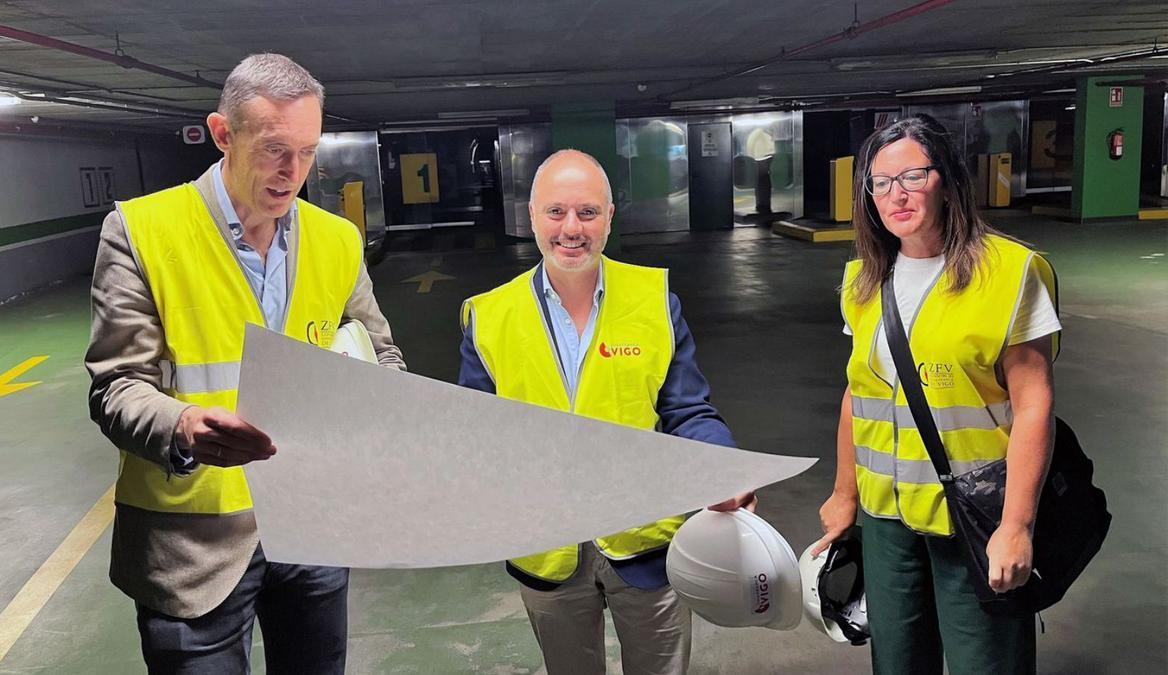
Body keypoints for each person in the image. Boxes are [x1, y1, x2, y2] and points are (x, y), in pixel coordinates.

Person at [85, 53, 405, 673]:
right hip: (191, 548)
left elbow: (379, 352)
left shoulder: (336, 238)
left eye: (308, 151)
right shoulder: (140, 231)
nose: (293, 173)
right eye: (275, 149)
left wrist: (382, 400)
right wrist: (183, 427)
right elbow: (116, 387)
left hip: (311, 528)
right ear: (223, 134)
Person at [457, 149, 753, 675]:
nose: (571, 228)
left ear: (610, 217)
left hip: (647, 541)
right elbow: (477, 435)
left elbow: (687, 410)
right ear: (531, 215)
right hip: (546, 545)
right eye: (556, 212)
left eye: (587, 212)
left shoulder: (654, 298)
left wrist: (723, 469)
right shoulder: (488, 315)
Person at [812, 115, 1060, 674]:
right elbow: (860, 394)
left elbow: (1034, 404)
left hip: (973, 514)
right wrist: (844, 492)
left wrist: (1017, 525)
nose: (895, 194)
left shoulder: (1011, 272)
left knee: (985, 663)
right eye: (879, 182)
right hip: (886, 519)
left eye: (913, 176)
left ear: (946, 178)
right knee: (897, 662)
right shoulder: (863, 280)